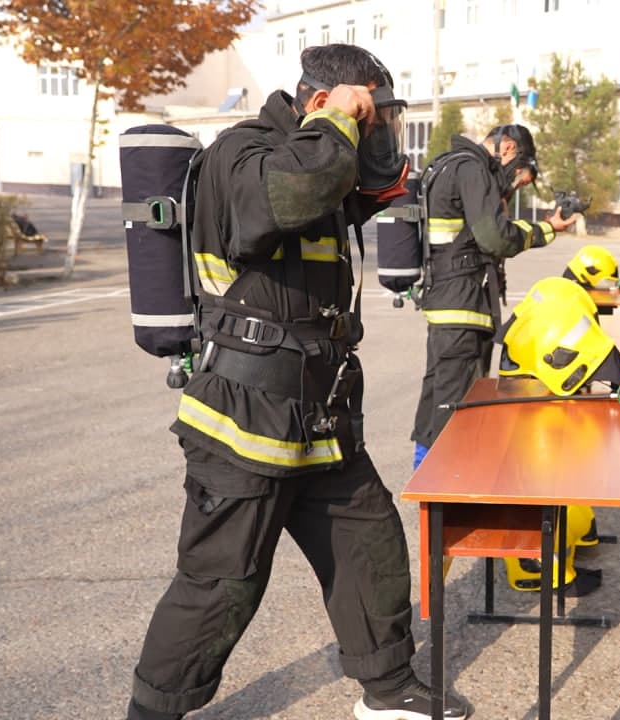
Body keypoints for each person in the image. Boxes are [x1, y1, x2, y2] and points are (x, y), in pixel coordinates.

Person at [126, 45, 471, 720]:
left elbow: (364, 197)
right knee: (222, 582)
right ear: (321, 103)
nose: (374, 131)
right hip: (246, 410)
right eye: (367, 114)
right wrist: (338, 124)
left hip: (319, 409)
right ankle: (153, 712)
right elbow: (281, 200)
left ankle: (387, 688)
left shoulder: (321, 160)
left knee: (370, 545)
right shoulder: (244, 152)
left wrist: (359, 141)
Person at [410, 125, 576, 467]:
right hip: (463, 306)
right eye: (515, 175)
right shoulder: (472, 169)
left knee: (437, 395)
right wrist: (546, 230)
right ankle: (446, 489)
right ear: (508, 147)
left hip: (445, 302)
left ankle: (424, 471)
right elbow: (496, 238)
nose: (510, 183)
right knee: (457, 405)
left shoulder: (447, 164)